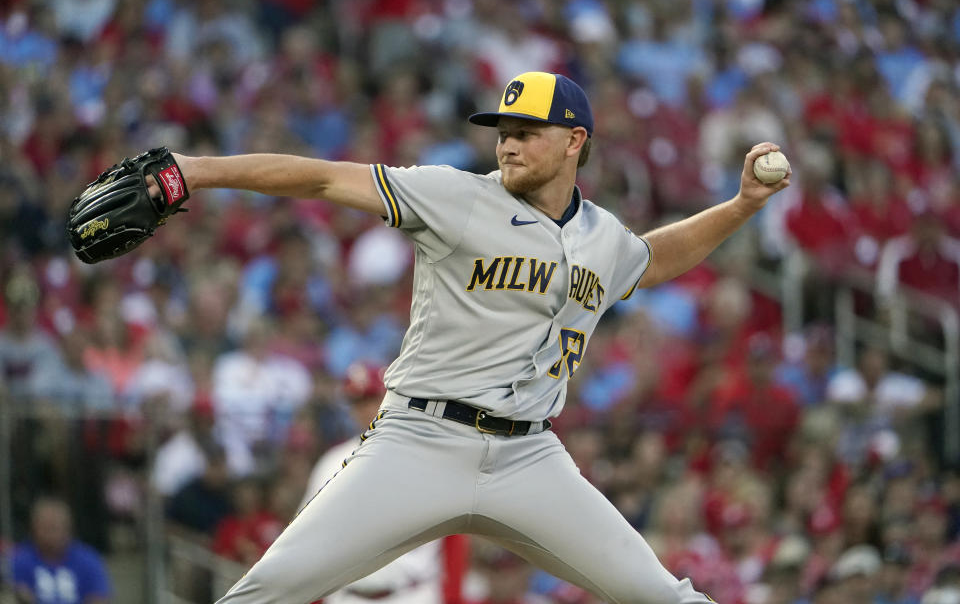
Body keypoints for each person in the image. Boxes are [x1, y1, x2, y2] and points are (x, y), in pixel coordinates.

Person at [156, 71, 790, 603]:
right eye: (503, 133)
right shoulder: (454, 196)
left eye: (524, 133)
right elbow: (321, 178)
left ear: (574, 141)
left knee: (666, 598)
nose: (507, 145)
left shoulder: (603, 237)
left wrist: (740, 207)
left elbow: (652, 260)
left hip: (530, 458)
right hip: (419, 441)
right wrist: (197, 170)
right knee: (268, 590)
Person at [300, 362, 468, 604]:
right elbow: (309, 541)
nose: (366, 409)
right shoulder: (332, 464)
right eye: (357, 402)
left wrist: (453, 598)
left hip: (413, 594)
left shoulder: (428, 459)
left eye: (372, 399)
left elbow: (453, 535)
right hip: (350, 596)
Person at [11, 497, 111, 604]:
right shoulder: (20, 559)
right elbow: (17, 594)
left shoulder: (88, 560)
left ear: (68, 528)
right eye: (45, 528)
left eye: (55, 528)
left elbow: (99, 598)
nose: (50, 535)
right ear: (33, 528)